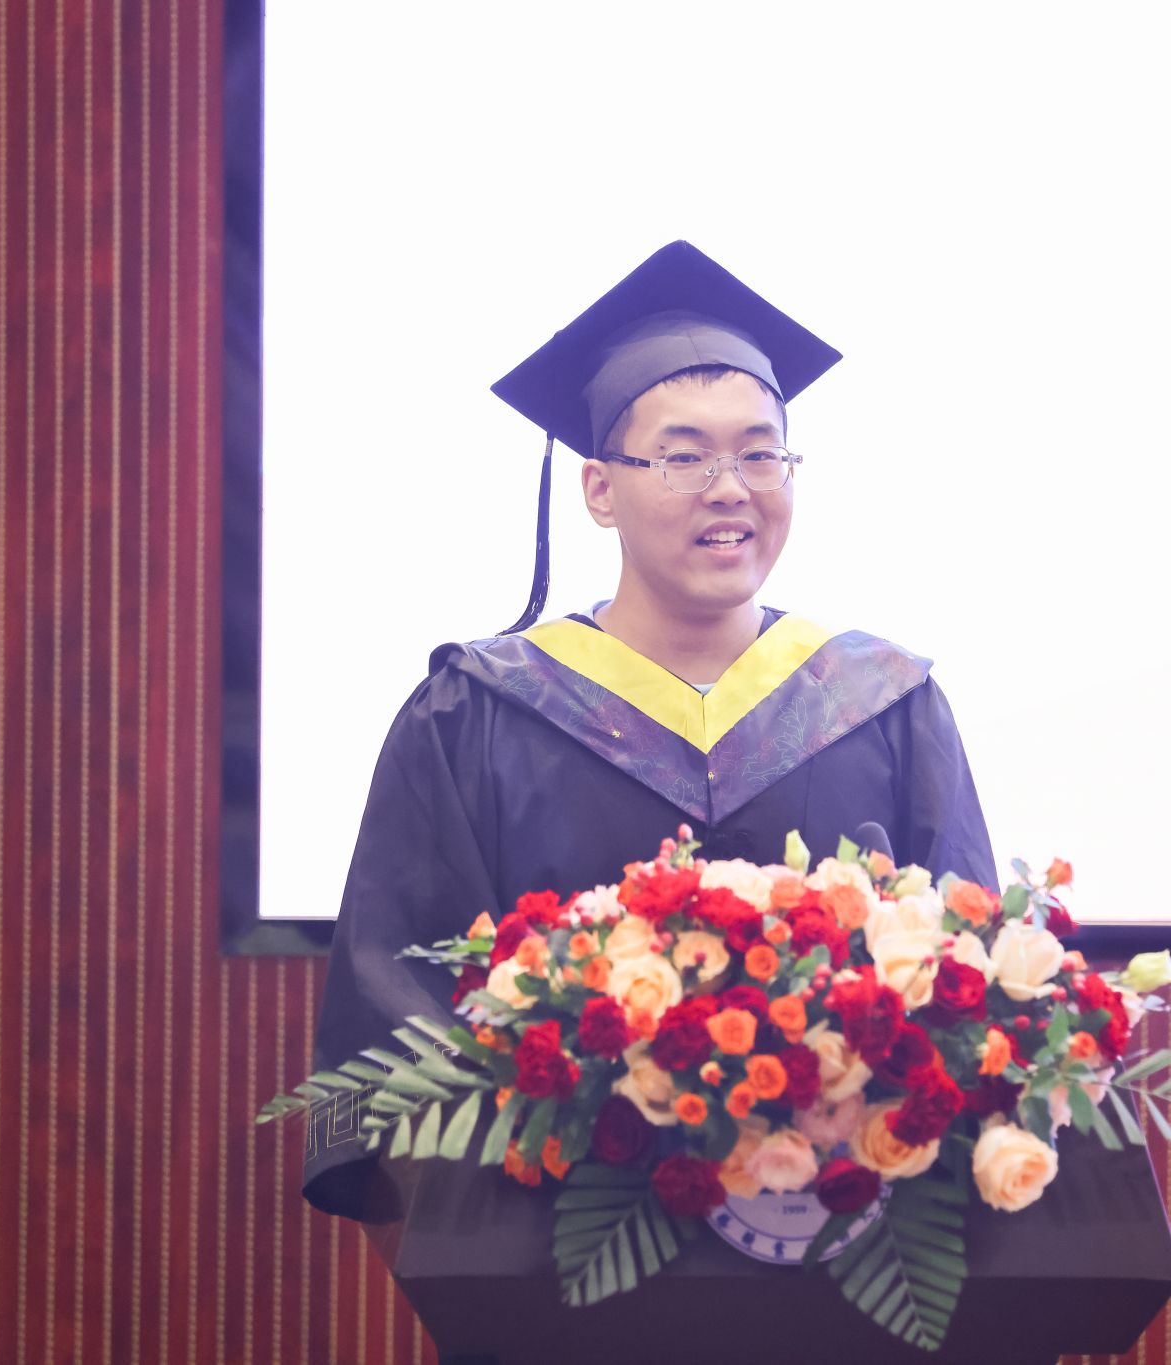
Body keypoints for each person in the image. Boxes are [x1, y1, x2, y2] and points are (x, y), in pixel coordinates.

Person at [304, 242, 996, 1223]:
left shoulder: (885, 706)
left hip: (845, 1254)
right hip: (554, 1255)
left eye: (760, 452)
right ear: (599, 489)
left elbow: (972, 1006)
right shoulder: (475, 715)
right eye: (684, 456)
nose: (730, 486)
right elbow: (392, 1024)